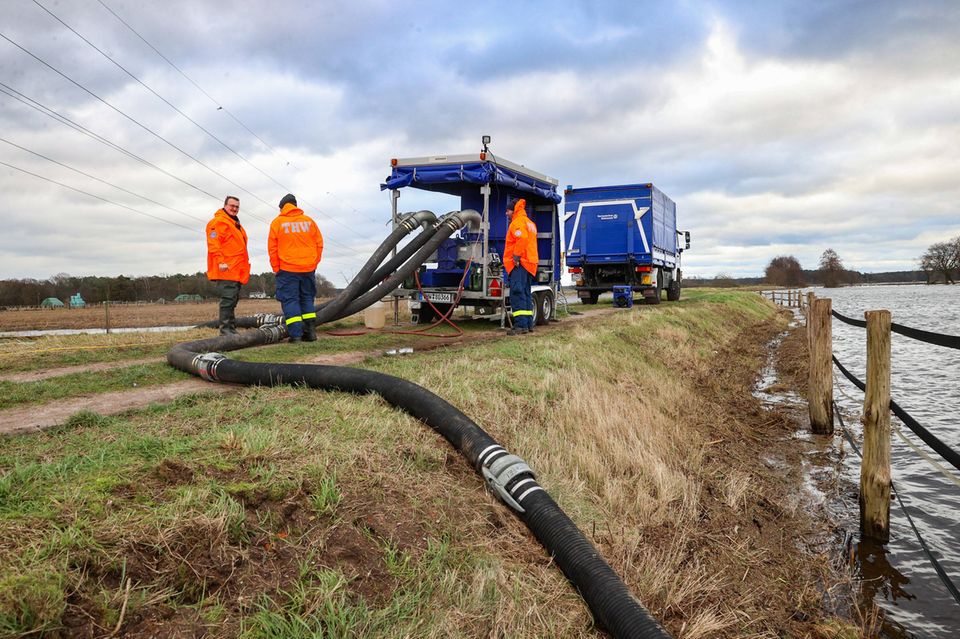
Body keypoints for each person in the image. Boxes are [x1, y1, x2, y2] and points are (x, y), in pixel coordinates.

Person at [268, 193, 324, 342]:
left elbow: (272, 248)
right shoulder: (309, 221)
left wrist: (276, 268)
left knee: (290, 300)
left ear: (282, 207)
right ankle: (311, 334)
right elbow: (319, 244)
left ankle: (296, 336)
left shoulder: (277, 223)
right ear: (295, 205)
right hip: (308, 269)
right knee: (307, 298)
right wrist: (313, 263)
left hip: (287, 269)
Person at [206, 195, 250, 335]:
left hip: (236, 269)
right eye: (232, 206)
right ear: (225, 205)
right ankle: (225, 330)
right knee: (227, 299)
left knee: (232, 299)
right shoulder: (218, 222)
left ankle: (231, 328)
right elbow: (214, 244)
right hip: (226, 268)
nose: (234, 209)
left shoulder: (235, 224)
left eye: (237, 207)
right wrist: (221, 262)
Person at [503, 197, 538, 335]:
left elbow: (521, 238)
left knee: (517, 293)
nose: (506, 214)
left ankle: (520, 325)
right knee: (525, 293)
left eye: (508, 211)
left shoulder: (517, 223)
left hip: (520, 263)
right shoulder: (530, 223)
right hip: (529, 263)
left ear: (514, 210)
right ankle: (528, 324)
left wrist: (516, 256)